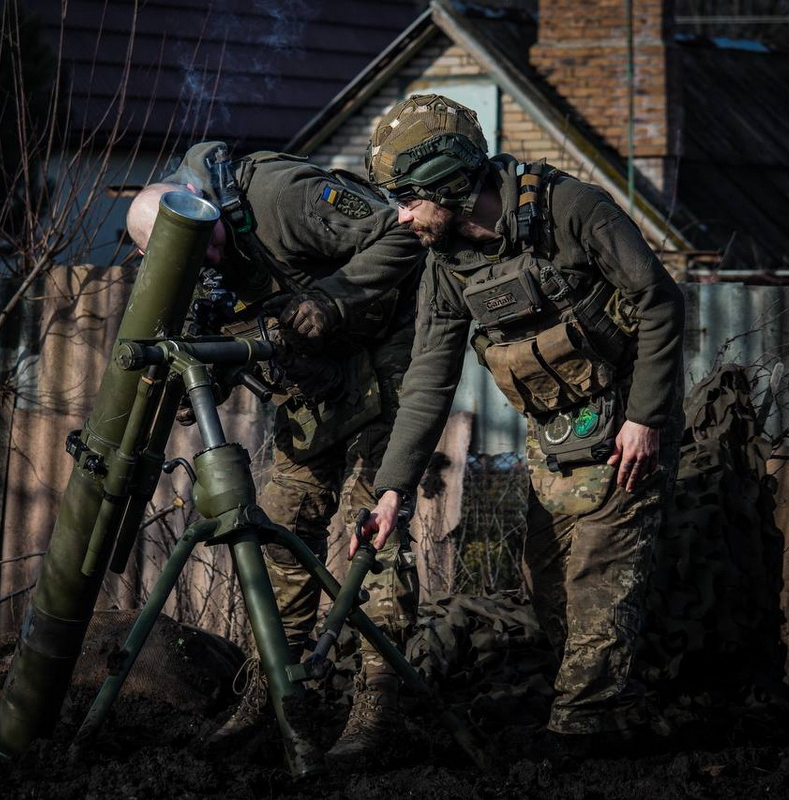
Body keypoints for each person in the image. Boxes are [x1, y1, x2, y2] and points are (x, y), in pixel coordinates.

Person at [360, 94, 685, 752]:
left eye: (406, 199)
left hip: (626, 427)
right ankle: (621, 713)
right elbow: (429, 378)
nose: (399, 215)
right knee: (551, 581)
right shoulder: (448, 264)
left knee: (599, 575)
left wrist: (647, 418)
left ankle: (582, 731)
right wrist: (393, 489)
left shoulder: (572, 211)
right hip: (554, 438)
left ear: (447, 184)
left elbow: (658, 298)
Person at [125, 140, 424, 764]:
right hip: (315, 379)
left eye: (209, 246)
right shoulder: (182, 263)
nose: (210, 262)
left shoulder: (278, 197)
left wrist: (330, 299)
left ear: (208, 210)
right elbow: (231, 329)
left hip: (391, 350)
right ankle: (276, 693)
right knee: (283, 525)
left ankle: (380, 707)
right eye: (190, 261)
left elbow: (405, 235)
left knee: (367, 534)